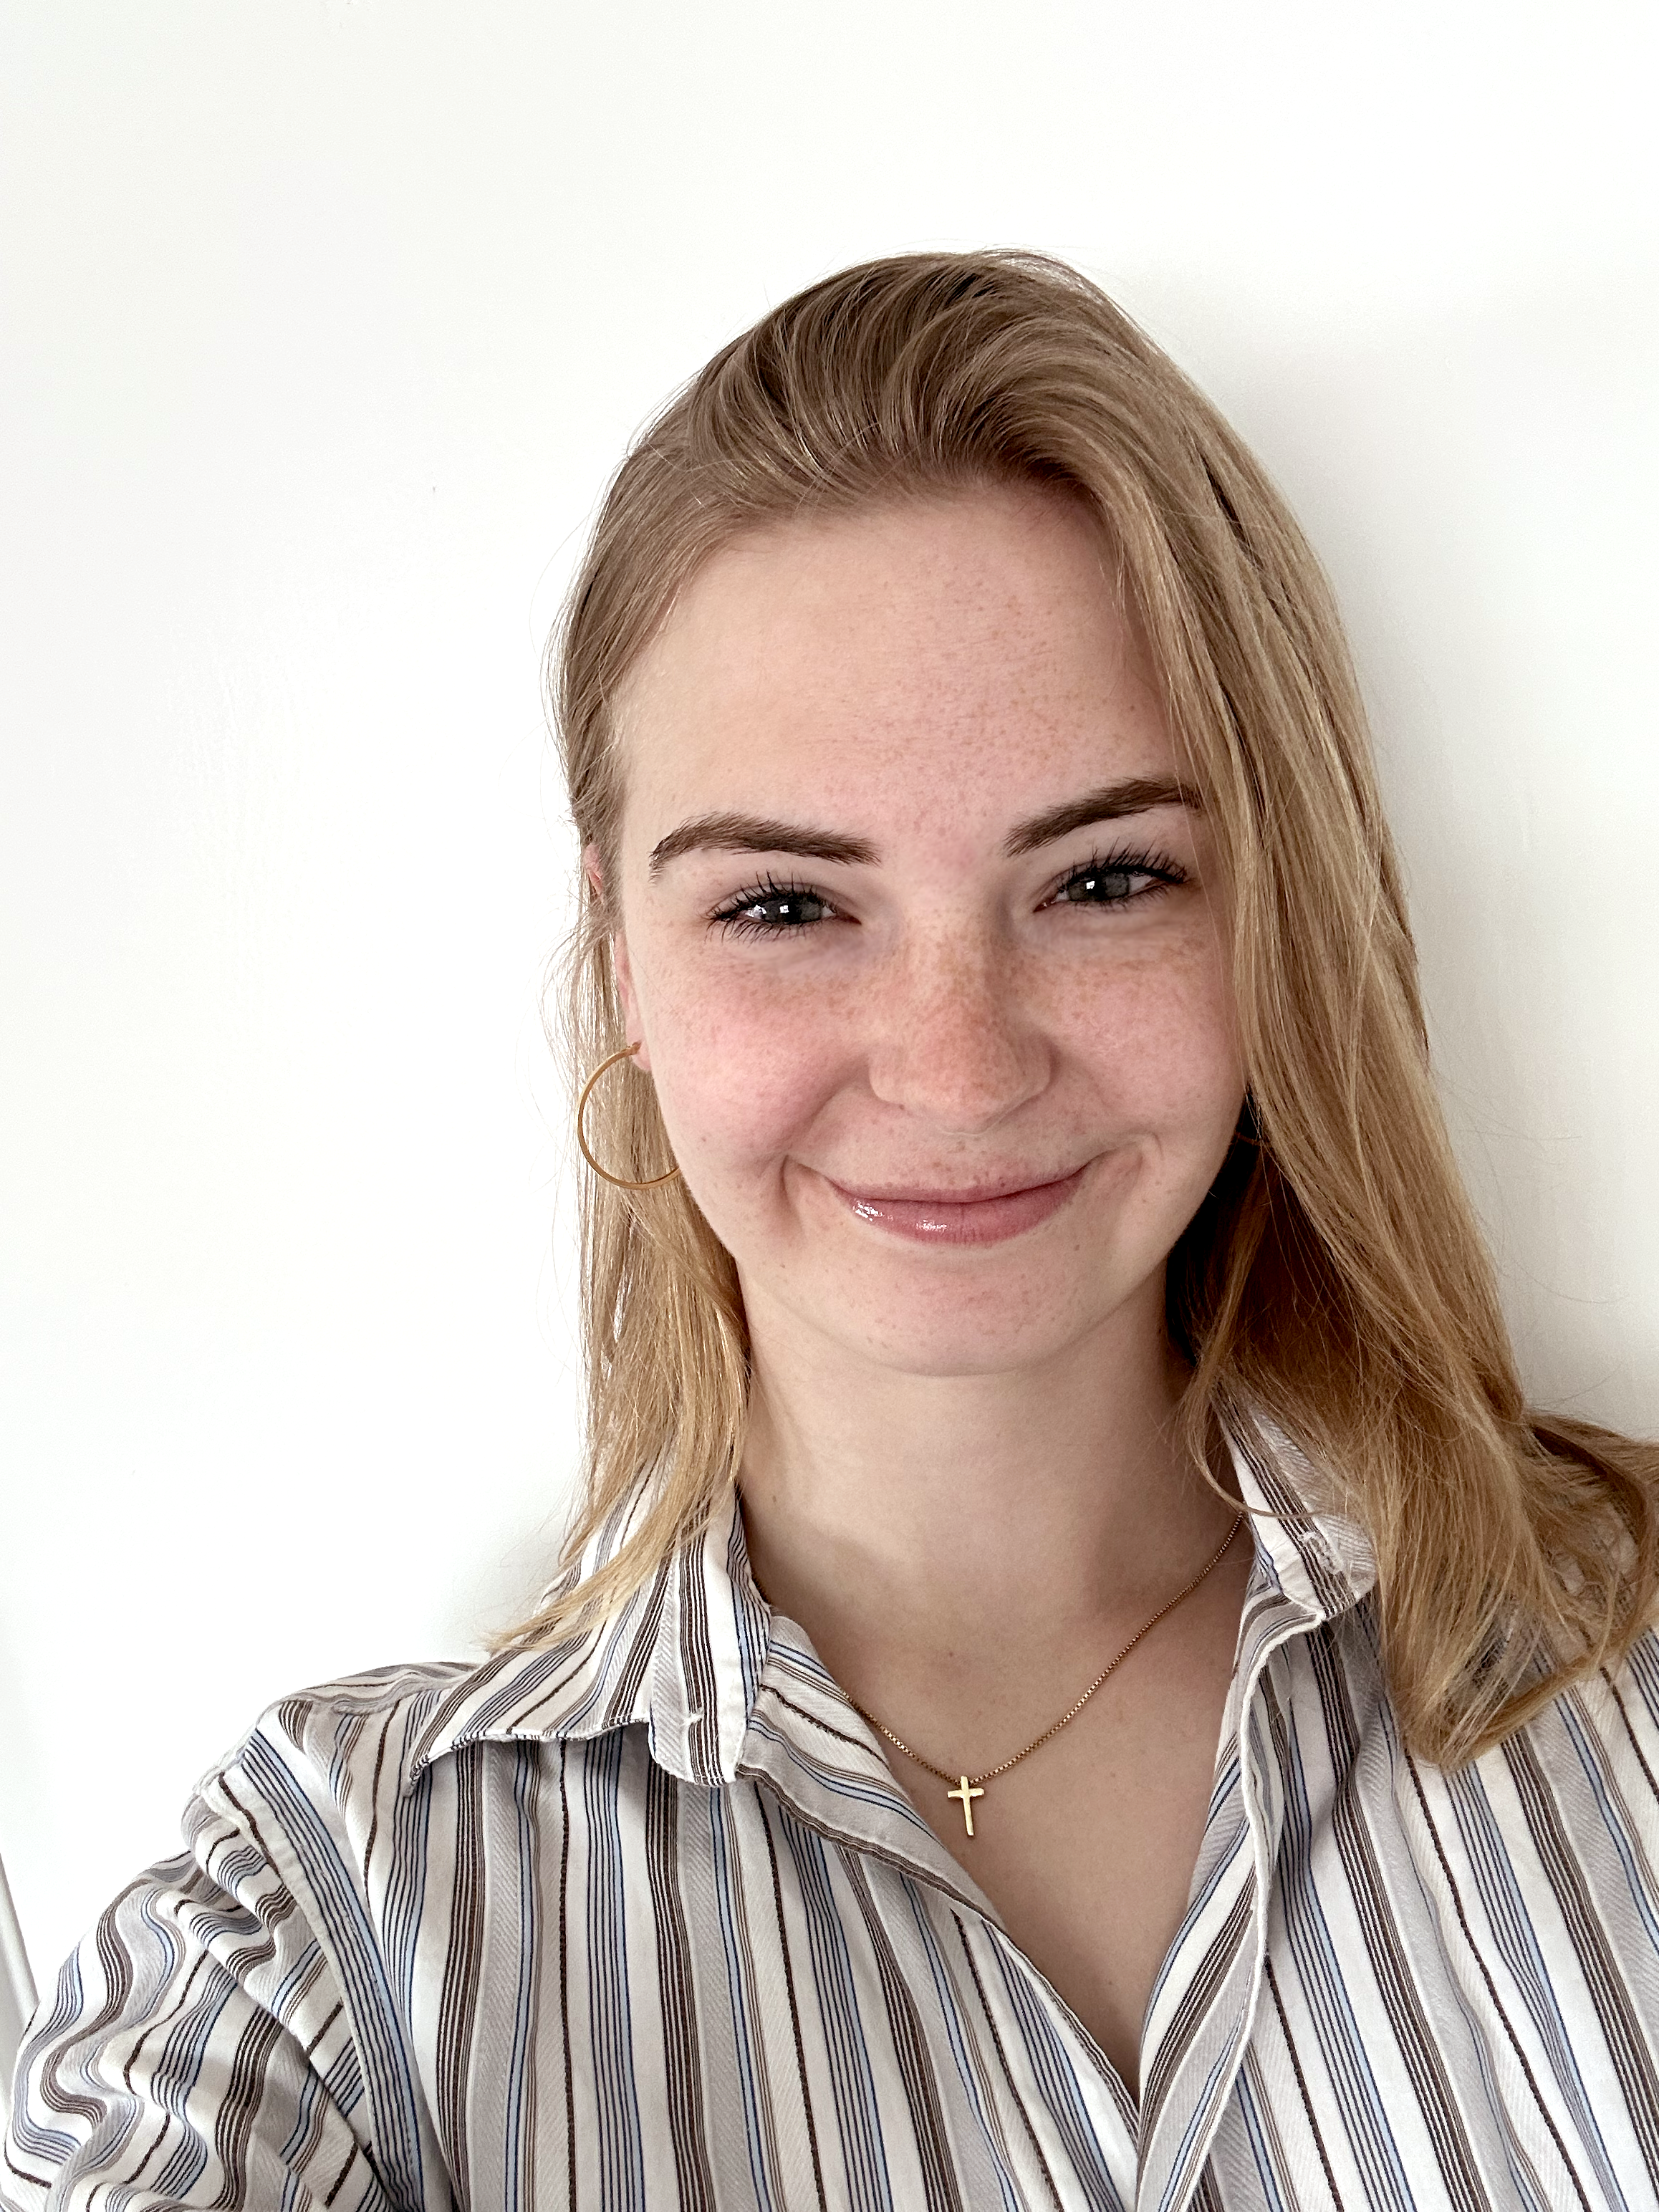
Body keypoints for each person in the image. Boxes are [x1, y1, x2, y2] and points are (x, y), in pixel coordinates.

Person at [6, 251, 1658, 2212]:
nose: (955, 1070)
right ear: (618, 958)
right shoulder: (328, 1938)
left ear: (1275, 916)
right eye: (785, 906)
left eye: (1107, 876)